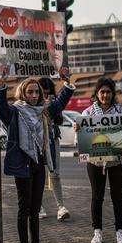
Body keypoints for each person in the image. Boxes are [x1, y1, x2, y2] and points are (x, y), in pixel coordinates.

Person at [0, 68, 75, 243]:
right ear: (23, 93)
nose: (33, 95)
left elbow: (61, 102)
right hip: (23, 164)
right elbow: (0, 109)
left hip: (38, 163)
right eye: (29, 92)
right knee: (24, 208)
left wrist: (66, 82)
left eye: (36, 92)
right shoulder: (15, 111)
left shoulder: (44, 111)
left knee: (35, 209)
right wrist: (1, 84)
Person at [74, 77, 122, 243]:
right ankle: (97, 231)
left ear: (113, 94)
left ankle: (120, 231)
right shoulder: (87, 113)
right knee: (97, 197)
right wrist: (78, 130)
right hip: (95, 162)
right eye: (102, 92)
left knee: (117, 197)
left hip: (117, 161)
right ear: (97, 94)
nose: (105, 95)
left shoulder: (121, 112)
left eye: (108, 92)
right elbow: (81, 141)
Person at [37, 77, 70, 221]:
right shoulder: (32, 103)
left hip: (52, 138)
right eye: (42, 93)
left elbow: (60, 120)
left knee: (55, 174)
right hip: (37, 141)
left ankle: (60, 207)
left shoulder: (55, 102)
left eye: (47, 93)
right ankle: (38, 206)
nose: (45, 95)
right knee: (39, 175)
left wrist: (52, 107)